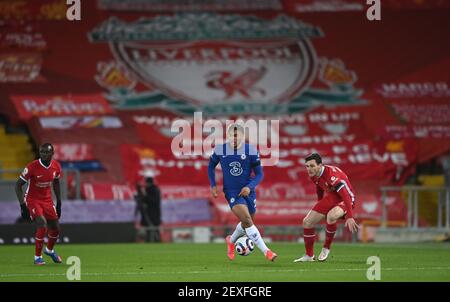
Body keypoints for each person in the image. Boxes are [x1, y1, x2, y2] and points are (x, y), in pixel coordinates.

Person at [208, 124, 277, 261]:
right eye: (231, 135)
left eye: (236, 135)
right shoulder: (221, 149)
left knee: (248, 222)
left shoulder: (250, 150)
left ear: (242, 136)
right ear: (227, 136)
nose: (233, 138)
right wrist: (213, 185)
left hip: (248, 191)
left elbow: (259, 174)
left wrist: (249, 187)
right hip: (231, 191)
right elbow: (211, 166)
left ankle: (231, 240)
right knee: (246, 220)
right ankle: (267, 251)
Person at [294, 153, 359, 263]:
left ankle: (326, 248)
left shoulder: (331, 176)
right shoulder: (314, 174)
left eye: (312, 166)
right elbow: (319, 187)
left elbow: (345, 195)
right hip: (332, 197)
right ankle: (309, 256)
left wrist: (350, 216)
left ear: (320, 165)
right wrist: (320, 205)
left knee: (331, 216)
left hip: (346, 198)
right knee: (307, 222)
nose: (309, 169)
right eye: (307, 166)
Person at [15, 143, 63, 265]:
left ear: (52, 153)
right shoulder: (32, 166)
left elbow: (56, 183)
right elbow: (17, 185)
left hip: (47, 200)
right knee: (42, 223)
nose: (44, 154)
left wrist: (59, 202)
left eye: (47, 152)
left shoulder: (56, 166)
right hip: (33, 199)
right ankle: (37, 257)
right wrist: (22, 206)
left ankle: (49, 250)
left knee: (56, 228)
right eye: (42, 152)